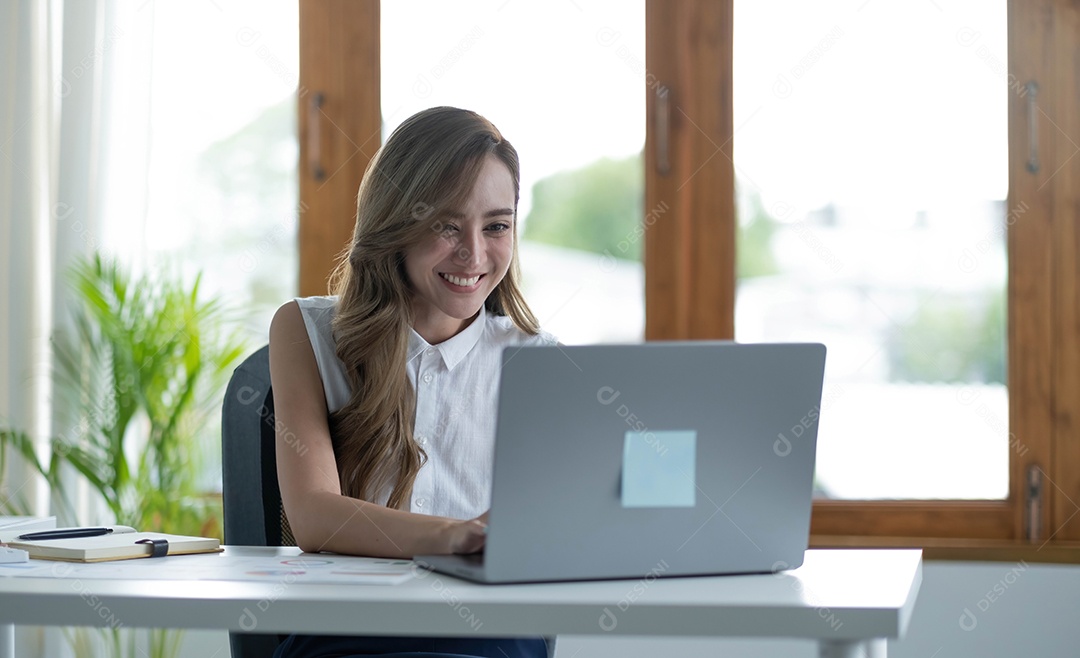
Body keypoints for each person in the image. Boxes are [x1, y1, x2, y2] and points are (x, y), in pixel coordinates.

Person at [268, 107, 556, 658]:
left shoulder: (538, 361)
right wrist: (454, 535)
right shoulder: (307, 331)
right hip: (345, 630)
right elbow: (313, 515)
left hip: (488, 633)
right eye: (446, 225)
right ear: (395, 223)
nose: (473, 252)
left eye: (496, 225)